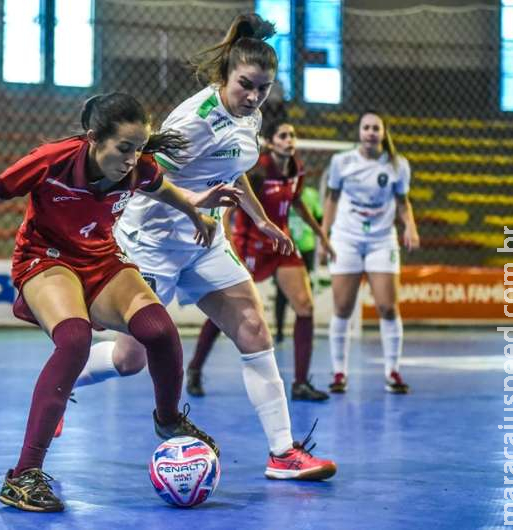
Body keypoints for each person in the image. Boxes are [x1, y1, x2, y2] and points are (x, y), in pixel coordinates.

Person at [0, 92, 236, 512]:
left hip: (100, 258)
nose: (133, 159)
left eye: (140, 149)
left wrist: (195, 211)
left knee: (159, 331)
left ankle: (167, 419)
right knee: (74, 340)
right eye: (124, 148)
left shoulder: (137, 169)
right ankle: (23, 476)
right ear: (94, 139)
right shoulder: (51, 161)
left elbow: (163, 188)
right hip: (44, 259)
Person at [71, 14, 337, 481]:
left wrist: (262, 220)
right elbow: (142, 177)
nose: (254, 97)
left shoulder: (250, 114)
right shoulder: (193, 121)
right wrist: (196, 201)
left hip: (204, 240)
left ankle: (283, 454)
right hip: (152, 244)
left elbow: (232, 172)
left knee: (254, 328)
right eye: (245, 85)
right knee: (129, 360)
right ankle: (66, 376)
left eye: (264, 88)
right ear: (224, 78)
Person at [186, 120, 335, 402]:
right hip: (251, 244)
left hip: (281, 242)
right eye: (283, 135)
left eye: (292, 135)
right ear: (271, 141)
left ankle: (301, 383)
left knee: (304, 305)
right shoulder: (258, 169)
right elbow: (233, 199)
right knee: (227, 310)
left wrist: (322, 236)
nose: (289, 139)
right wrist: (226, 233)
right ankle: (194, 368)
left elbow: (296, 202)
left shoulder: (296, 169)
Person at [321, 111, 420, 394]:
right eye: (366, 127)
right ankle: (339, 372)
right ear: (359, 131)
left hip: (382, 240)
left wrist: (409, 227)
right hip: (346, 238)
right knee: (342, 308)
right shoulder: (342, 162)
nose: (370, 132)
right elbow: (332, 199)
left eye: (376, 128)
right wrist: (324, 235)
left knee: (388, 307)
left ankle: (393, 371)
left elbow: (403, 202)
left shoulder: (398, 165)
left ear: (383, 132)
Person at [275, 183, 323, 343]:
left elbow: (319, 218)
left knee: (304, 292)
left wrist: (324, 240)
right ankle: (280, 332)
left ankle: (302, 332)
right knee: (281, 292)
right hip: (285, 247)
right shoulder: (282, 193)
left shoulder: (311, 194)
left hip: (306, 247)